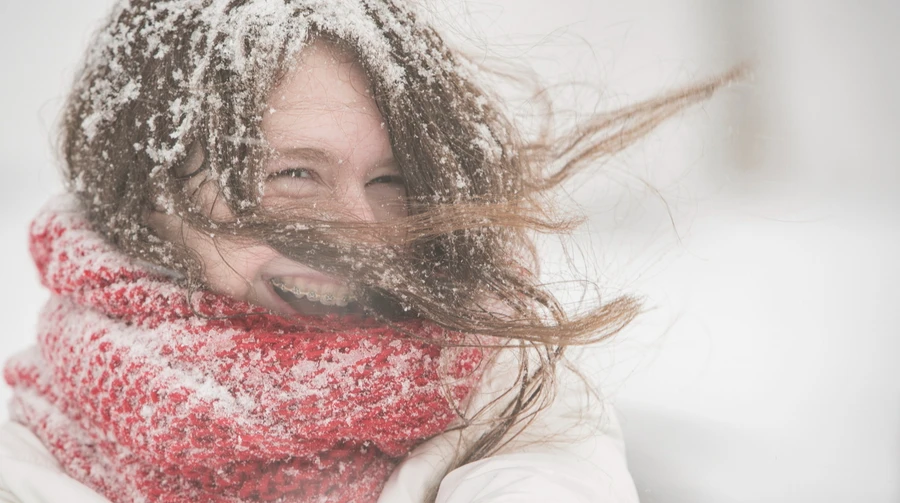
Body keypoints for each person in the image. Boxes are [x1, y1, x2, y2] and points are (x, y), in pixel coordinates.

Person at [0, 1, 738, 502]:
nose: (365, 230)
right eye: (294, 175)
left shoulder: (502, 392)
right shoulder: (29, 452)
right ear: (145, 195)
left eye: (390, 180)